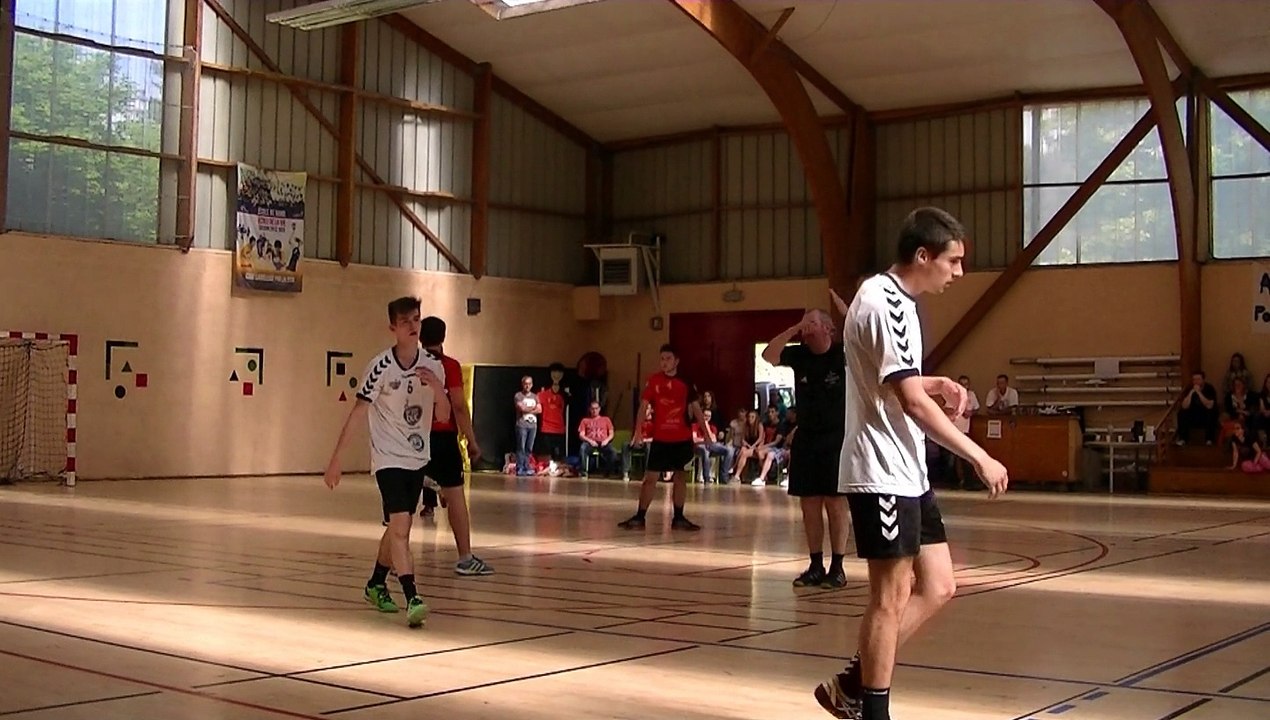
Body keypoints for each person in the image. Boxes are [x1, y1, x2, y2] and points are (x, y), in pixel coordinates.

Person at [815, 208, 1009, 720]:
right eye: (954, 261)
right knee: (891, 596)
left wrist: (935, 380)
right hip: (881, 469)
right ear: (923, 256)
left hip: (908, 470)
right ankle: (871, 710)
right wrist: (978, 455)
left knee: (940, 585)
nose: (959, 273)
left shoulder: (894, 299)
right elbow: (911, 405)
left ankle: (853, 683)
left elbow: (895, 382)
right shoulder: (886, 304)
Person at [324, 296, 452, 629]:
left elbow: (443, 414)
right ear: (393, 327)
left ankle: (376, 583)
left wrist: (437, 388)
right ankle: (413, 597)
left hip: (417, 456)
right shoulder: (380, 366)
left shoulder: (433, 366)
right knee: (402, 528)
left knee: (398, 526)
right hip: (388, 458)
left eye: (417, 320)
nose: (413, 326)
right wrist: (336, 459)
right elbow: (358, 412)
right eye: (406, 321)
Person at [762, 304, 849, 589]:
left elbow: (865, 338)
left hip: (837, 438)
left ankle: (837, 566)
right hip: (807, 439)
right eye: (804, 322)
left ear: (828, 328)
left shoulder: (842, 354)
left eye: (812, 321)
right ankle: (815, 564)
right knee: (809, 505)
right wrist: (792, 329)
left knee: (835, 505)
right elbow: (769, 355)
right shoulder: (798, 355)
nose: (807, 326)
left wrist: (846, 312)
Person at [419, 316, 494, 576]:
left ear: (419, 336)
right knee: (455, 496)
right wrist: (471, 441)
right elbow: (459, 407)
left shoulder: (408, 364)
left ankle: (397, 561)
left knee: (404, 502)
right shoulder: (449, 366)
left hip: (411, 439)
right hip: (441, 437)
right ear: (443, 337)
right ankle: (465, 558)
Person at [617, 344, 709, 531]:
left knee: (680, 476)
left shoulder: (685, 382)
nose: (664, 362)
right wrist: (638, 431)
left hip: (682, 438)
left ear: (676, 361)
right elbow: (643, 407)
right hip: (661, 439)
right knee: (650, 478)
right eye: (662, 359)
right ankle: (640, 516)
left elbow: (697, 409)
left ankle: (679, 517)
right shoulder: (653, 381)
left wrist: (706, 433)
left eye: (668, 359)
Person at [514, 376, 541, 476]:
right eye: (526, 383)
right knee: (521, 446)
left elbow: (540, 409)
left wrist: (529, 408)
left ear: (532, 385)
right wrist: (533, 408)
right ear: (522, 384)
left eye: (529, 384)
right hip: (522, 425)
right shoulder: (518, 395)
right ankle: (520, 467)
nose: (527, 386)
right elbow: (522, 408)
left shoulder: (535, 396)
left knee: (529, 448)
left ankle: (526, 466)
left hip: (533, 426)